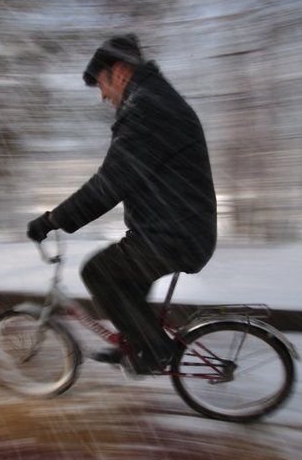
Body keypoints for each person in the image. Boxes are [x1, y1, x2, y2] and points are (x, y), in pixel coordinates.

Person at [27, 33, 216, 373]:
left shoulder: (149, 109)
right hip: (173, 231)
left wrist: (54, 219)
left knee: (98, 271)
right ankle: (138, 345)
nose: (102, 95)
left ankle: (156, 352)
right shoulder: (153, 101)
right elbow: (122, 178)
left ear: (120, 71)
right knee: (125, 281)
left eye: (101, 84)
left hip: (173, 236)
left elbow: (110, 183)